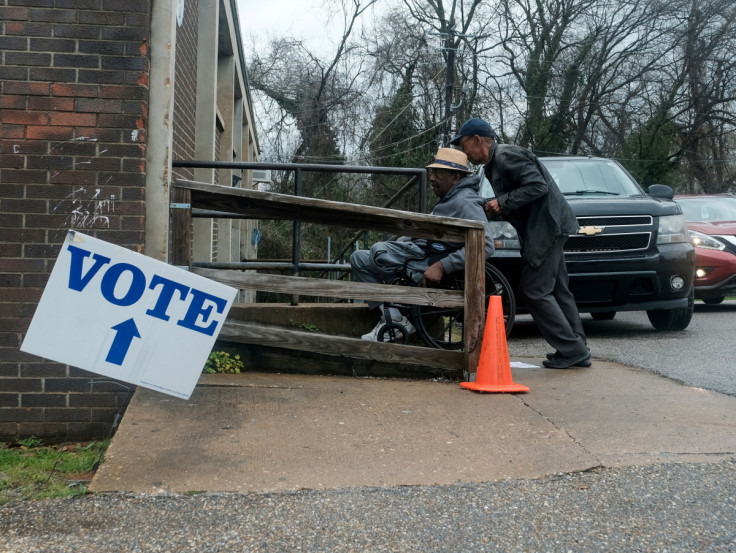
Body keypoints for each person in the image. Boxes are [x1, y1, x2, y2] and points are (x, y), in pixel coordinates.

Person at [450, 117, 590, 368]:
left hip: (546, 228)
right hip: (550, 225)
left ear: (477, 140)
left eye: (464, 145)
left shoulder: (505, 156)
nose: (465, 152)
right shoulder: (495, 162)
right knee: (558, 288)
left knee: (535, 289)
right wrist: (494, 205)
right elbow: (524, 194)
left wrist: (501, 202)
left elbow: (537, 186)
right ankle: (577, 347)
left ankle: (572, 349)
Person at [351, 147, 494, 341]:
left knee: (378, 252)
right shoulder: (448, 200)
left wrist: (443, 266)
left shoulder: (464, 202)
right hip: (420, 253)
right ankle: (394, 317)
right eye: (432, 173)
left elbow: (486, 244)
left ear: (455, 177)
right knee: (358, 258)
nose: (432, 178)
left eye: (438, 173)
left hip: (429, 261)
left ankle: (400, 302)